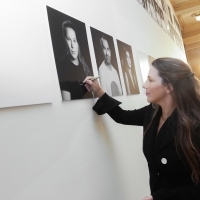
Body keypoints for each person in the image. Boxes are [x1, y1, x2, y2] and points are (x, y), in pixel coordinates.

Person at [83, 57, 200, 200]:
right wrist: (99, 91)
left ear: (169, 87)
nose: (144, 85)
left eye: (150, 80)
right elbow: (123, 117)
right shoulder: (153, 112)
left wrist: (162, 197)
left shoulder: (195, 125)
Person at [57, 20, 92, 100]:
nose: (72, 45)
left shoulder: (85, 66)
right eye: (69, 39)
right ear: (64, 41)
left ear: (78, 43)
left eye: (74, 40)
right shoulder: (63, 68)